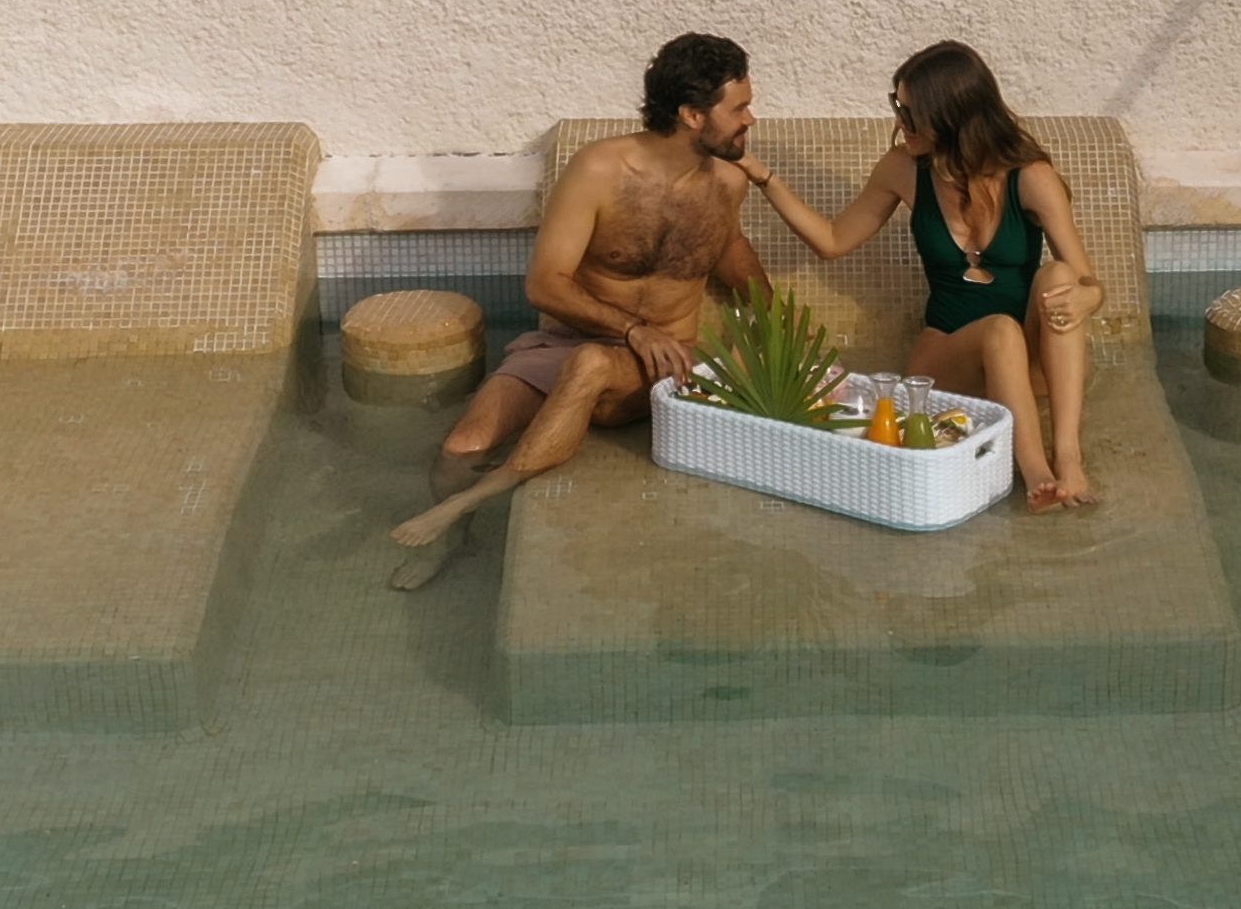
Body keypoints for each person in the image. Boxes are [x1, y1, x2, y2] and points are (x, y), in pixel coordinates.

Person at [388, 33, 765, 587]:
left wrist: (749, 347)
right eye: (739, 108)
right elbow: (545, 285)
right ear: (691, 114)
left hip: (662, 361)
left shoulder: (728, 183)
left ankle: (473, 504)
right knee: (459, 448)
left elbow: (743, 274)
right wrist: (632, 329)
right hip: (568, 343)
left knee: (591, 362)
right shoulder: (600, 171)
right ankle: (452, 542)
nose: (750, 119)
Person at [739, 41, 1104, 509]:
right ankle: (1033, 471)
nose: (900, 125)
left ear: (952, 115)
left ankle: (1068, 458)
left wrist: (1085, 299)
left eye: (910, 114)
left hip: (1029, 368)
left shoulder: (1030, 178)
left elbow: (1090, 284)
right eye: (898, 109)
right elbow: (832, 241)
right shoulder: (905, 170)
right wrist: (761, 175)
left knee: (1057, 277)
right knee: (999, 330)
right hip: (950, 363)